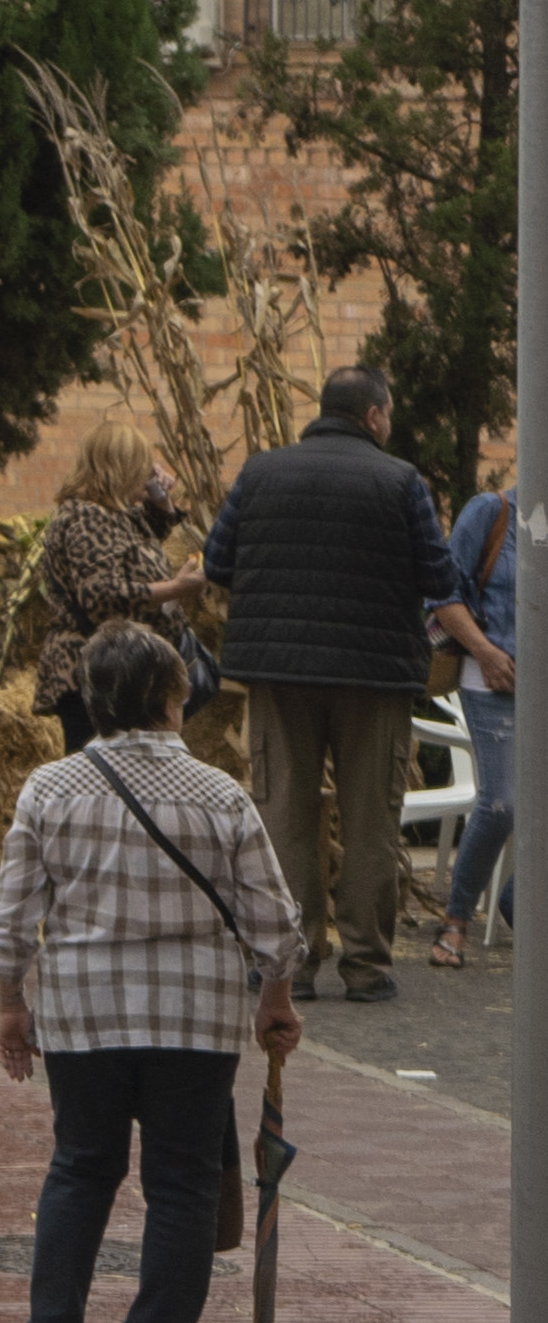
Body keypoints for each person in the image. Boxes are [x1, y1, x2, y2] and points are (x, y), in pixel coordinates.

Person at [0, 621, 303, 1323]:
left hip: (82, 1015)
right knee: (183, 1184)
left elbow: (12, 914)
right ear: (173, 695)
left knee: (80, 1167)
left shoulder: (49, 788)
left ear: (92, 699)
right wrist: (275, 996)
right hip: (193, 1019)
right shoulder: (220, 794)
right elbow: (274, 921)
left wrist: (10, 1000)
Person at [208, 363, 450, 1002]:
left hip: (279, 673)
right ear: (373, 415)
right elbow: (439, 576)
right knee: (371, 820)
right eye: (388, 413)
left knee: (285, 816)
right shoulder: (401, 481)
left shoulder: (259, 473)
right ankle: (367, 967)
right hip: (374, 676)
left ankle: (292, 965)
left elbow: (217, 561)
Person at [31, 422, 203, 756]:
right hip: (96, 674)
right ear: (119, 467)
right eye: (142, 465)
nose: (149, 472)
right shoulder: (86, 517)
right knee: (98, 773)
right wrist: (174, 588)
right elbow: (102, 597)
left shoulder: (116, 513)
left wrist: (161, 499)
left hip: (121, 672)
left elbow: (142, 543)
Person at [444, 473, 523, 968]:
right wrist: (485, 651)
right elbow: (442, 596)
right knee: (502, 802)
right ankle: (455, 920)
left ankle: (517, 903)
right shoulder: (491, 512)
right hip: (491, 680)